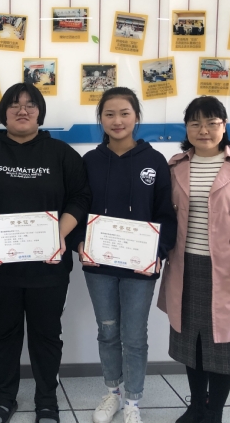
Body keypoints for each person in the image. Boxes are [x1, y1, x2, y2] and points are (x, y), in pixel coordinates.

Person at [0, 82, 91, 423]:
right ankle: (5, 396)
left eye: (30, 104)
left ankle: (46, 398)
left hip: (49, 267)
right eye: (15, 104)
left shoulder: (61, 154)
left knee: (46, 334)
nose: (22, 110)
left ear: (40, 112)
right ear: (3, 112)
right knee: (3, 332)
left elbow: (80, 197)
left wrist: (58, 234)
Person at [157, 96, 230, 423]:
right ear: (186, 128)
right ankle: (196, 406)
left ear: (224, 125)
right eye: (195, 123)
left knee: (225, 345)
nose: (203, 129)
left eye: (211, 122)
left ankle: (214, 412)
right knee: (191, 343)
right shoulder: (175, 165)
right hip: (186, 267)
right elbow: (163, 216)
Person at [74, 87, 177, 423]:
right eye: (109, 114)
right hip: (98, 265)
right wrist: (78, 242)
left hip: (140, 266)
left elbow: (166, 214)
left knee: (134, 336)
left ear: (136, 117)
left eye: (124, 113)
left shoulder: (154, 161)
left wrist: (159, 251)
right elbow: (77, 207)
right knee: (107, 331)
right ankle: (113, 392)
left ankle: (133, 399)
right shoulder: (89, 161)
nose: (117, 120)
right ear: (100, 119)